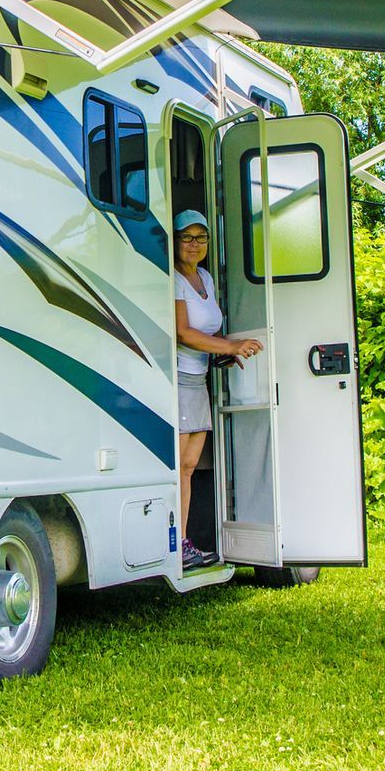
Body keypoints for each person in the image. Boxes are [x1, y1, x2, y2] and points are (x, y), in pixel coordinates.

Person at [171, 209, 261, 570]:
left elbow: (208, 330)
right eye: (186, 237)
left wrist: (223, 353)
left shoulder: (204, 277)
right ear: (175, 241)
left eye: (201, 237)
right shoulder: (173, 279)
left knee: (189, 466)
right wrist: (230, 346)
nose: (194, 244)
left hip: (199, 378)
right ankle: (173, 543)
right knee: (177, 466)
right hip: (178, 377)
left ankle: (183, 543)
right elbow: (183, 332)